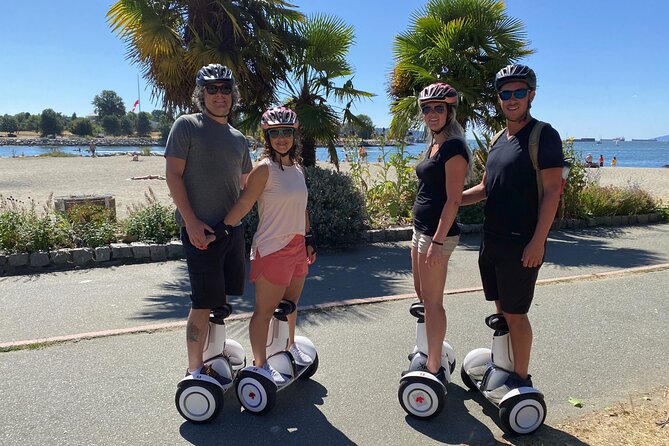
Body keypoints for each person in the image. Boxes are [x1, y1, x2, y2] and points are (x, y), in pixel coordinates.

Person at [461, 64, 564, 396]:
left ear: (531, 95)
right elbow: (486, 187)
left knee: (517, 314)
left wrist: (538, 241)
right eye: (506, 93)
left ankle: (521, 379)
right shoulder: (497, 139)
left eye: (519, 92)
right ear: (499, 99)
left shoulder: (543, 135)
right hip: (492, 240)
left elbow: (552, 191)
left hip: (523, 244)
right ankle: (503, 365)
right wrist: (449, 202)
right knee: (502, 309)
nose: (512, 99)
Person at [164, 63, 252, 386]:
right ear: (201, 94)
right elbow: (173, 175)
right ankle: (194, 370)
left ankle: (215, 353)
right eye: (212, 89)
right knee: (202, 302)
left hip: (231, 230)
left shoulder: (239, 139)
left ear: (233, 95)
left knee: (222, 299)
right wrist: (191, 222)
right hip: (200, 230)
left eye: (225, 89)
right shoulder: (186, 126)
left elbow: (247, 187)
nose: (219, 95)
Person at [218, 106, 316, 384]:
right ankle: (260, 364)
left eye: (287, 132)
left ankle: (289, 347)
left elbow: (303, 207)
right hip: (272, 249)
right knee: (264, 311)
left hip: (297, 246)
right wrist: (222, 228)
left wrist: (309, 237)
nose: (282, 138)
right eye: (275, 133)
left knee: (291, 304)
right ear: (267, 137)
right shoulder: (264, 169)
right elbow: (245, 203)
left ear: (294, 135)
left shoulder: (297, 168)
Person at [407, 82, 471, 381]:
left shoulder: (454, 147)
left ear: (450, 111)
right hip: (421, 230)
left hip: (437, 235)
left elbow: (455, 199)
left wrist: (437, 240)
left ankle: (433, 366)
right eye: (427, 109)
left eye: (438, 108)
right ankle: (432, 349)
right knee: (422, 295)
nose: (431, 113)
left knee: (433, 302)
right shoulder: (434, 144)